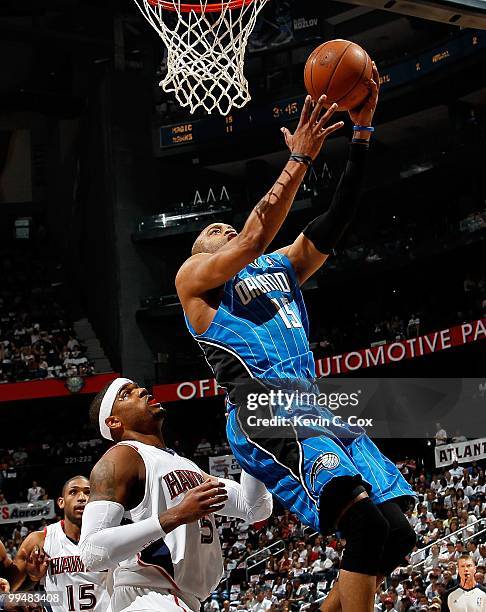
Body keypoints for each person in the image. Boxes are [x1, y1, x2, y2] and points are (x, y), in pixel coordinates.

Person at [176, 66, 415, 612]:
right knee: (363, 528)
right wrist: (300, 157)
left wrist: (361, 134)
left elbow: (338, 218)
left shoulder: (278, 266)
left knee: (395, 534)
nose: (223, 231)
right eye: (210, 233)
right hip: (263, 407)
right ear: (199, 256)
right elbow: (258, 228)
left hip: (316, 402)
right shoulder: (195, 283)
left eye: (223, 227)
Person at [79, 378, 272, 612]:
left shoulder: (183, 464)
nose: (142, 390)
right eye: (126, 394)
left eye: (138, 387)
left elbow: (254, 508)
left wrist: (251, 442)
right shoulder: (119, 458)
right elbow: (91, 553)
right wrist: (176, 515)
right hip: (144, 597)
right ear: (113, 421)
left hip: (180, 600)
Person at [11, 475, 111, 611]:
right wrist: (33, 579)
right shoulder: (40, 540)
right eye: (73, 492)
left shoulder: (111, 536)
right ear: (61, 502)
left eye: (88, 492)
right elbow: (7, 593)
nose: (82, 497)